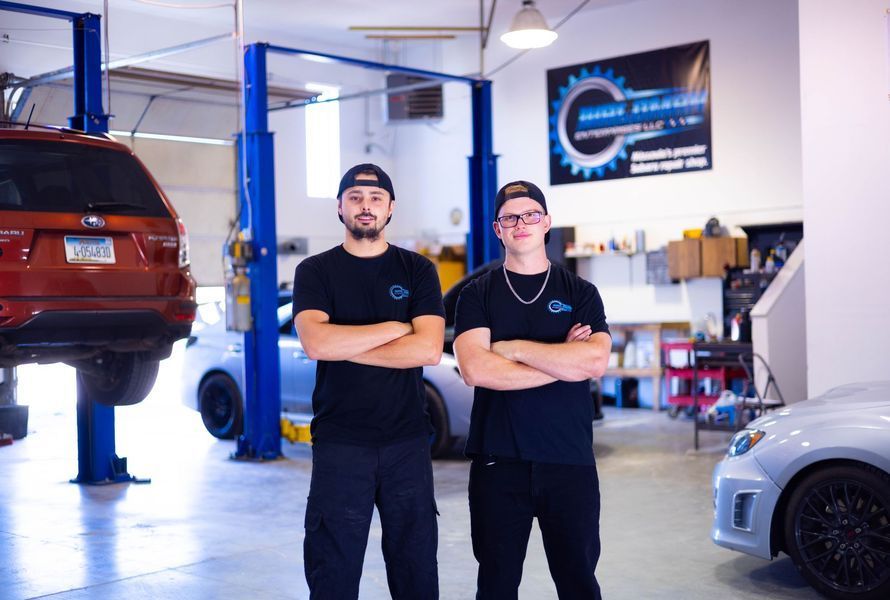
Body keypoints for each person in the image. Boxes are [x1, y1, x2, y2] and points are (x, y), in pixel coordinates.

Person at [292, 163, 445, 600]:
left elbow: (429, 350)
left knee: (415, 569)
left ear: (390, 208)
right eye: (355, 198)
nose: (366, 206)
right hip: (341, 444)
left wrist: (346, 343)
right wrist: (396, 328)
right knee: (333, 572)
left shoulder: (417, 270)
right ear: (340, 207)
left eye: (376, 199)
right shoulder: (315, 271)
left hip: (407, 443)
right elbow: (316, 343)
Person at [453, 180, 611, 600]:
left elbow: (594, 362)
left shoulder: (580, 293)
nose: (520, 223)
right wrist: (562, 361)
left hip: (569, 462)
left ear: (547, 223)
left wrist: (515, 350)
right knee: (497, 586)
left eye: (530, 215)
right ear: (497, 228)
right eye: (510, 217)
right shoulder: (477, 295)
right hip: (497, 464)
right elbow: (475, 369)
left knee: (579, 583)